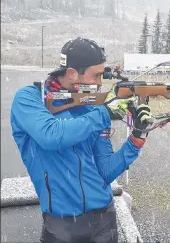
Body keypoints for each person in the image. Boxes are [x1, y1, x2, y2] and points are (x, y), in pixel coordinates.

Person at [10, 37, 152, 243]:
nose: (100, 82)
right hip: (61, 226)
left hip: (105, 219)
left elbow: (104, 171)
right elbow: (51, 136)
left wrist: (137, 136)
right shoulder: (29, 99)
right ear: (71, 73)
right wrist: (105, 112)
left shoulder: (92, 107)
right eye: (95, 75)